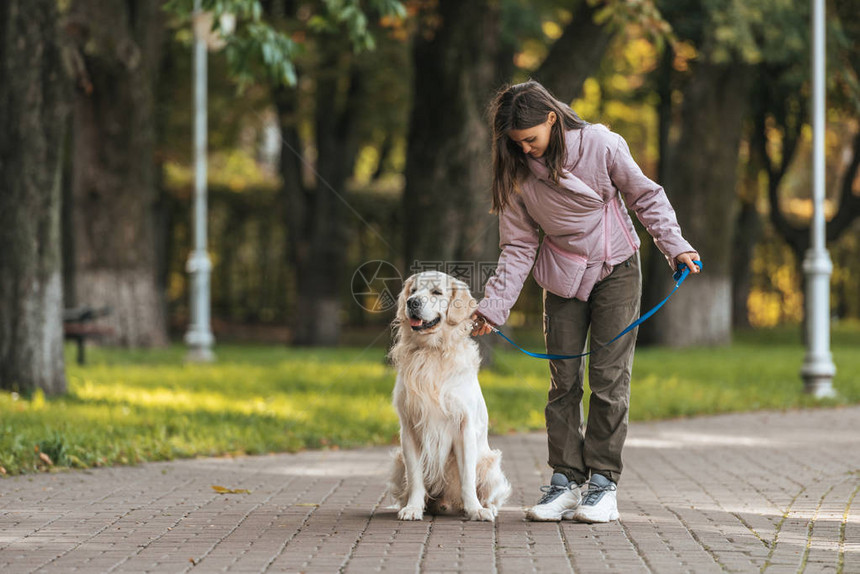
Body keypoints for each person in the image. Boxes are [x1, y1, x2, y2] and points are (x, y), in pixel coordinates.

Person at [470, 80, 700, 523]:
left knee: (609, 377)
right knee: (563, 380)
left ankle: (603, 484)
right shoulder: (516, 173)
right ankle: (565, 480)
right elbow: (517, 248)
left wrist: (677, 246)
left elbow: (645, 196)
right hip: (561, 276)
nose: (527, 151)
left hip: (616, 266)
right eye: (516, 145)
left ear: (552, 119)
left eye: (532, 140)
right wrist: (493, 308)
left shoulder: (601, 144)